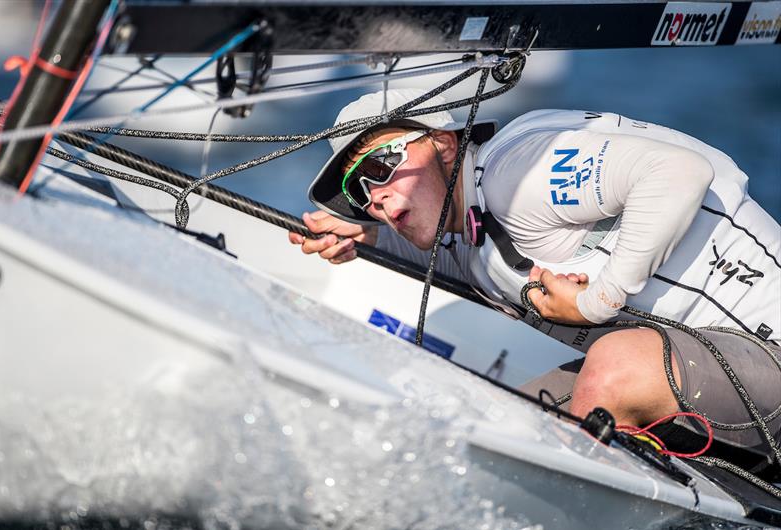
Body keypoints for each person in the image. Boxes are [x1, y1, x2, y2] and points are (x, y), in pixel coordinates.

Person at [289, 88, 781, 474]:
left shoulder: (517, 172)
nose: (373, 198)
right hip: (711, 370)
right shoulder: (467, 227)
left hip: (769, 352)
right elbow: (445, 251)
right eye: (358, 191)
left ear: (442, 143)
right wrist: (364, 238)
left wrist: (597, 301)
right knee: (504, 434)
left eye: (382, 165)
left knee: (615, 364)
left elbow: (676, 172)